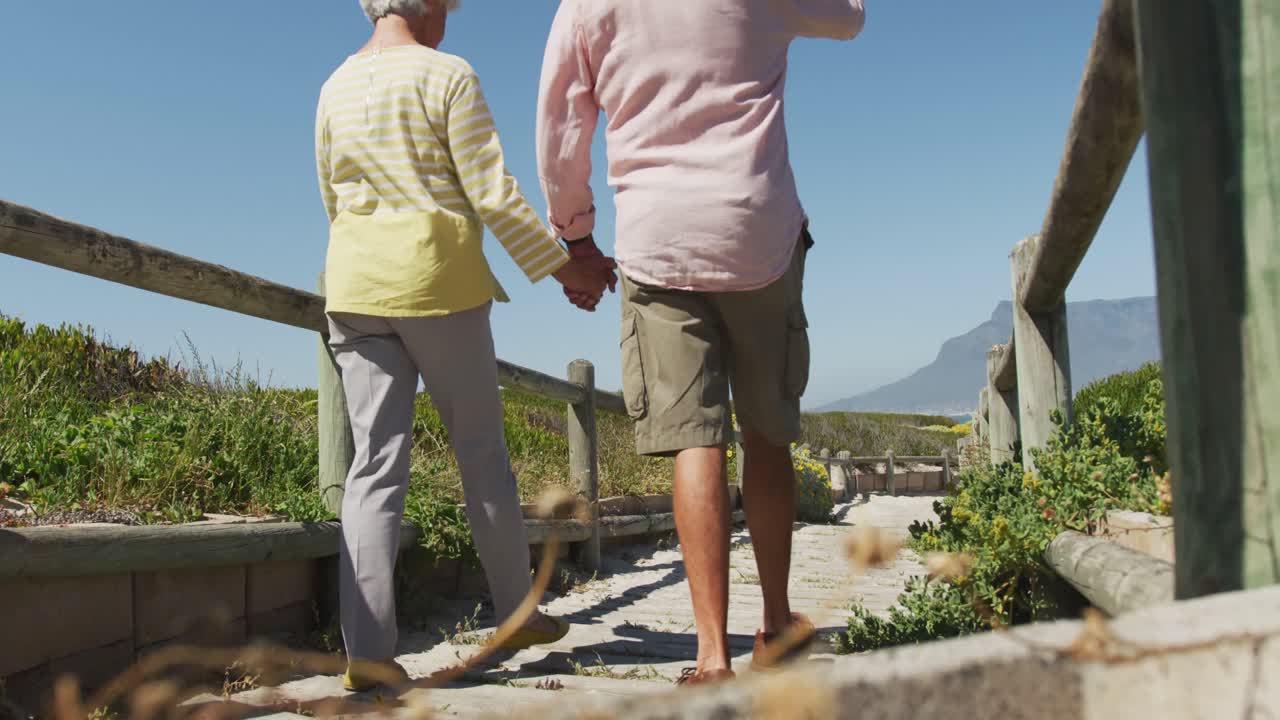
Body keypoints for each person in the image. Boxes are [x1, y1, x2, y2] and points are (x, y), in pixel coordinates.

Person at [536, 0, 865, 686]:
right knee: (767, 433)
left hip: (658, 239)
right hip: (758, 233)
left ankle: (712, 654)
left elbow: (562, 123)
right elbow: (850, 17)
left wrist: (575, 234)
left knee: (696, 438)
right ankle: (775, 623)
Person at [315, 0, 616, 691]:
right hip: (437, 283)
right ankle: (513, 610)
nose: (452, 18)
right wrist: (563, 263)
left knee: (373, 468)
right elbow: (491, 192)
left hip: (354, 284)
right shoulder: (447, 74)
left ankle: (366, 649)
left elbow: (333, 194)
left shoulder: (333, 85)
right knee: (481, 452)